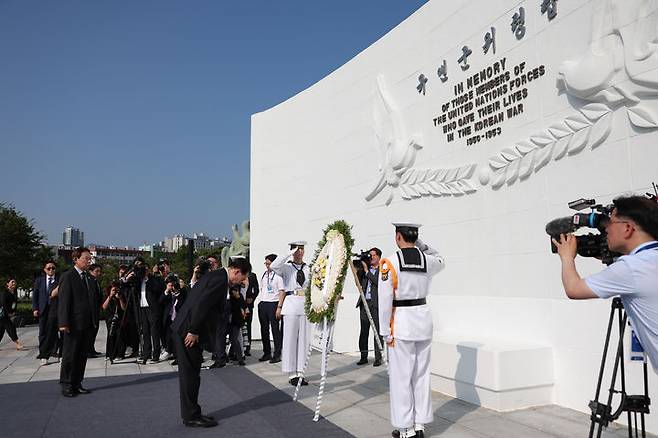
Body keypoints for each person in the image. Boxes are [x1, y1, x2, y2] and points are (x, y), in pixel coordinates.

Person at [553, 195, 658, 373]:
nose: (606, 229)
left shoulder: (631, 268)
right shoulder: (647, 259)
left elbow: (574, 289)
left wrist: (566, 256)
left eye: (610, 223)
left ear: (627, 228)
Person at [379, 223, 445, 438]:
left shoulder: (389, 262)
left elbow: (385, 300)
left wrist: (384, 331)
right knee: (421, 374)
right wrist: (422, 246)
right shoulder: (428, 260)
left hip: (401, 325)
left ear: (398, 236)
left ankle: (405, 427)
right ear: (415, 237)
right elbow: (440, 259)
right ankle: (420, 425)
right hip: (423, 322)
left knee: (401, 377)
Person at [171, 257, 251, 428]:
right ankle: (191, 416)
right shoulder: (219, 280)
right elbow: (202, 305)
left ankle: (193, 412)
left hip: (189, 329)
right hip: (189, 332)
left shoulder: (217, 277)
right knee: (190, 376)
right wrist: (193, 330)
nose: (242, 282)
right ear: (236, 272)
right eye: (242, 278)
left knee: (192, 374)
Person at [271, 240, 311, 386]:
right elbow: (275, 265)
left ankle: (301, 371)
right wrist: (289, 253)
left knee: (304, 340)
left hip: (305, 303)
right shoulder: (286, 268)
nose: (300, 252)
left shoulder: (308, 268)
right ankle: (291, 373)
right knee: (290, 339)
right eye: (297, 249)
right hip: (291, 302)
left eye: (302, 249)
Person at [58, 247, 96, 397]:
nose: (89, 261)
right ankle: (66, 384)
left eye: (89, 258)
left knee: (81, 355)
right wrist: (63, 322)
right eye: (86, 258)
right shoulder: (68, 276)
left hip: (86, 323)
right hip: (72, 323)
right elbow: (64, 301)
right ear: (76, 259)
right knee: (69, 355)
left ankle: (77, 382)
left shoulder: (88, 277)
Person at [356, 247, 384, 367]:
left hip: (375, 304)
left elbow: (379, 282)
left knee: (377, 331)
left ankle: (378, 358)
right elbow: (358, 281)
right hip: (364, 302)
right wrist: (360, 267)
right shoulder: (365, 269)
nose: (371, 258)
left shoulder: (383, 270)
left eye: (373, 255)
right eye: (370, 255)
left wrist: (367, 271)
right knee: (364, 331)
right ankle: (363, 356)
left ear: (378, 257)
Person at [258, 254, 285, 363]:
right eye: (266, 263)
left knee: (275, 330)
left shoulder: (278, 276)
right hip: (263, 303)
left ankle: (277, 354)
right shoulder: (265, 274)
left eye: (268, 263)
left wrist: (279, 307)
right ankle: (267, 352)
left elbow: (282, 291)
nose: (267, 265)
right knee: (264, 329)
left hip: (273, 304)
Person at [33, 261, 59, 364]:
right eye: (49, 268)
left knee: (54, 331)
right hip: (43, 309)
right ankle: (42, 352)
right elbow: (35, 296)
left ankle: (54, 352)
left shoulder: (59, 280)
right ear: (44, 270)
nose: (51, 270)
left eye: (53, 268)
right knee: (42, 332)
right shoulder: (39, 281)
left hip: (55, 309)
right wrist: (35, 308)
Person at [103, 280, 127, 363]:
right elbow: (104, 307)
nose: (115, 291)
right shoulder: (107, 296)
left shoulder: (120, 296)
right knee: (110, 335)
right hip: (110, 318)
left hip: (120, 318)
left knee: (119, 335)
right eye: (113, 289)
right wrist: (110, 296)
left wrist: (119, 298)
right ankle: (110, 354)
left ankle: (120, 354)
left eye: (116, 289)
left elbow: (124, 308)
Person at [0, 277, 24, 350]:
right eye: (12, 282)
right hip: (2, 314)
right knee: (11, 328)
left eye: (14, 282)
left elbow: (14, 304)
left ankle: (17, 343)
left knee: (1, 330)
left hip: (6, 314)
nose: (14, 283)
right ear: (7, 284)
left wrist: (13, 311)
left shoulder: (14, 292)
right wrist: (8, 313)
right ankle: (17, 344)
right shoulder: (5, 293)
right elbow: (3, 304)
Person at [87, 264, 103, 357]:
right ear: (91, 271)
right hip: (91, 310)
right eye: (96, 271)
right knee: (91, 331)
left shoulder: (95, 281)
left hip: (96, 309)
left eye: (99, 271)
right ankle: (88, 350)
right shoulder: (90, 281)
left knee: (95, 330)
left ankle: (92, 349)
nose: (98, 273)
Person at [242, 270, 259, 356]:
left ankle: (247, 348)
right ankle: (236, 348)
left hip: (248, 304)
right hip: (238, 304)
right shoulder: (237, 274)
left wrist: (252, 298)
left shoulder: (252, 276)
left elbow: (256, 289)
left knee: (248, 326)